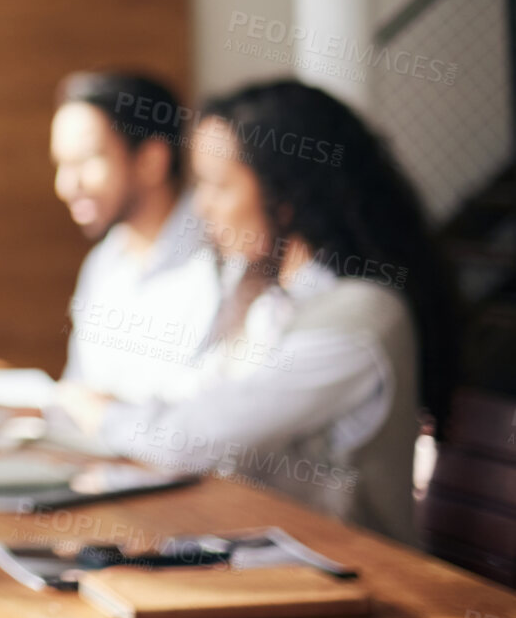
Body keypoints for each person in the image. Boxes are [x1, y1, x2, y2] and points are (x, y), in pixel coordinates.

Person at [60, 79, 459, 547]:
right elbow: (193, 405)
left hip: (360, 585)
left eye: (218, 186)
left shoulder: (359, 318)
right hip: (259, 565)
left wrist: (97, 413)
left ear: (286, 196)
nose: (202, 208)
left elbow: (191, 440)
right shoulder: (265, 302)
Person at [48, 71, 224, 408]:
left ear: (151, 161)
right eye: (61, 164)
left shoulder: (221, 257)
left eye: (87, 161)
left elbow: (203, 415)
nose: (66, 186)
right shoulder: (105, 262)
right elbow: (77, 396)